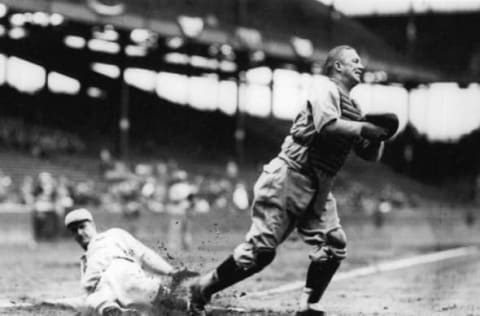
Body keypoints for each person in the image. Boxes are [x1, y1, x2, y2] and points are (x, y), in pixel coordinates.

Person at [187, 45, 397, 316]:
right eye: (354, 61)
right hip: (288, 176)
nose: (361, 66)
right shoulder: (325, 88)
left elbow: (369, 156)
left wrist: (381, 138)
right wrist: (366, 128)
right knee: (261, 253)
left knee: (334, 243)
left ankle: (308, 304)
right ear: (338, 67)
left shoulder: (355, 108)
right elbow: (327, 125)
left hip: (320, 185)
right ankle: (202, 287)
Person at [65, 208, 195, 316]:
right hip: (137, 282)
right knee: (174, 307)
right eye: (74, 231)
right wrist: (171, 272)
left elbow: (145, 255)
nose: (79, 233)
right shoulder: (90, 255)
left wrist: (171, 271)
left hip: (118, 281)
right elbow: (145, 255)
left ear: (92, 225)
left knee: (95, 299)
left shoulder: (112, 235)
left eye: (82, 227)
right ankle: (196, 308)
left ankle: (111, 309)